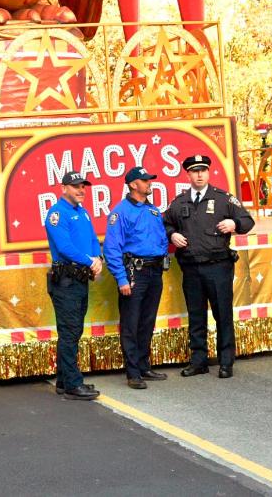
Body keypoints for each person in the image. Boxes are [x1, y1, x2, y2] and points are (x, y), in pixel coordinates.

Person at [163, 154, 254, 379]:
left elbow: (248, 221)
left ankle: (226, 361)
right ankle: (199, 360)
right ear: (188, 174)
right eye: (195, 171)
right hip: (191, 268)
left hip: (218, 267)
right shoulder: (180, 201)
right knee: (196, 316)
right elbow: (165, 223)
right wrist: (172, 234)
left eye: (203, 170)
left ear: (209, 172)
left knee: (222, 314)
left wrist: (235, 223)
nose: (200, 174)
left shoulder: (223, 199)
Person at [104, 165, 171, 389]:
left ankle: (144, 366)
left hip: (154, 271)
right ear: (134, 185)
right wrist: (122, 279)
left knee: (147, 321)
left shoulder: (152, 210)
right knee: (131, 324)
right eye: (145, 180)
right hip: (135, 272)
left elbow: (161, 238)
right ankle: (133, 373)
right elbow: (112, 249)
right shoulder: (120, 212)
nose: (149, 183)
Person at [43, 171, 103, 400]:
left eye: (83, 186)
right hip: (66, 281)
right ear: (63, 188)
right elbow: (65, 247)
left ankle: (64, 379)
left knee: (74, 330)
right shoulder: (57, 214)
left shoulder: (83, 212)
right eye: (76, 186)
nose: (81, 190)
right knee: (69, 332)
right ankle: (73, 385)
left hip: (79, 279)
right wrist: (90, 262)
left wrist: (98, 259)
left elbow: (92, 240)